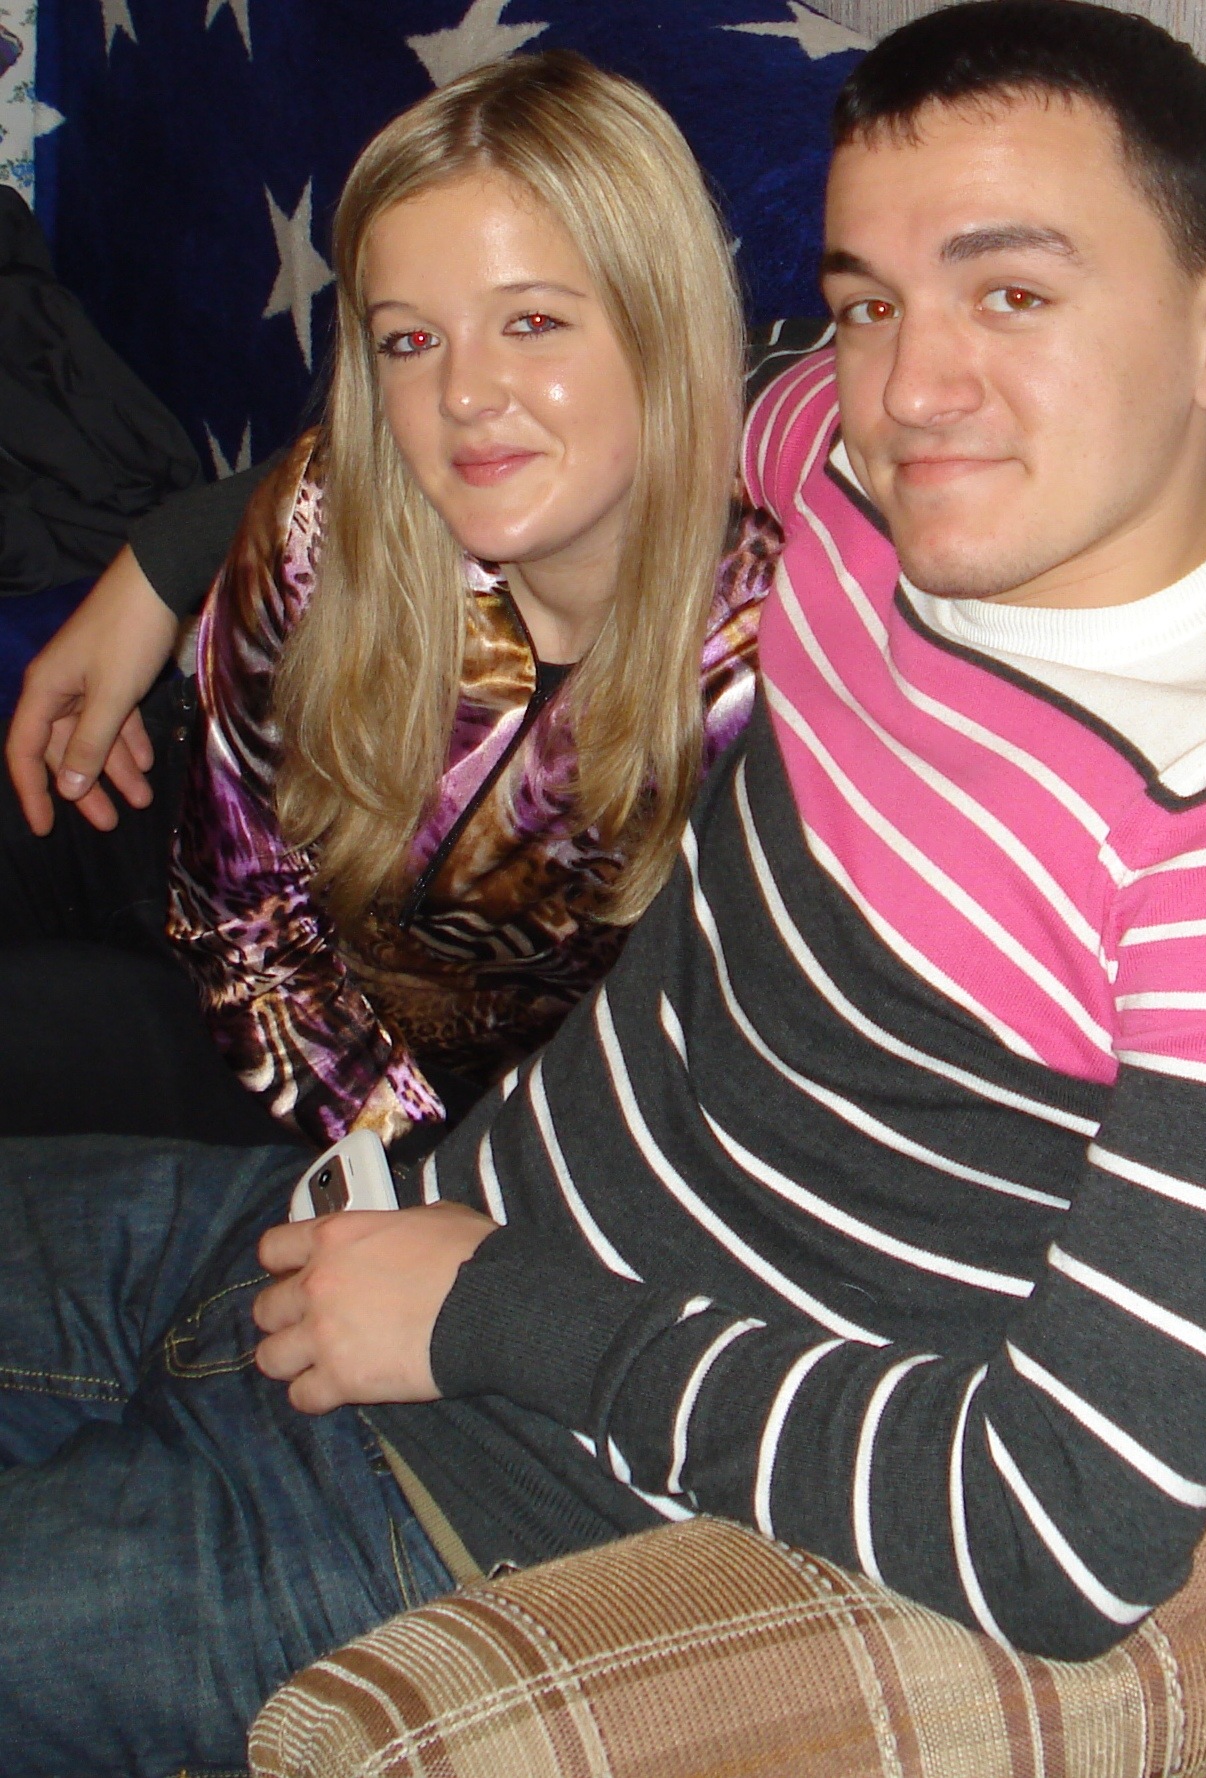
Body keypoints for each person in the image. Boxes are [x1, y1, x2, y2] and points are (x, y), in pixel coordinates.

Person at [0, 4, 1206, 1771]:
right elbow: (550, 412)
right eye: (868, 302)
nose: (913, 387)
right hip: (355, 1217)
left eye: (1011, 292)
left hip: (493, 1500)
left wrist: (483, 1310)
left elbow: (1061, 1529)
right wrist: (164, 564)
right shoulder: (849, 462)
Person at [0, 51, 772, 1148]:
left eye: (532, 322)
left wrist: (406, 1168)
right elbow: (236, 905)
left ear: (665, 326)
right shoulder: (326, 515)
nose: (462, 394)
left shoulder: (769, 656)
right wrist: (163, 561)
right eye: (411, 340)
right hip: (212, 881)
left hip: (391, 1083)